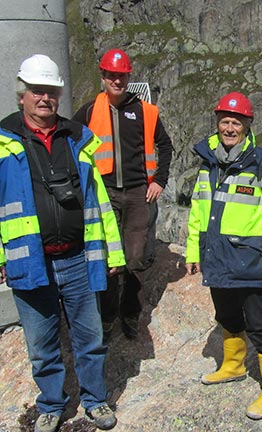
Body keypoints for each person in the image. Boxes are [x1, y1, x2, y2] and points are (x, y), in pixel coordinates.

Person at [0, 54, 125, 432]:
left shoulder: (78, 140)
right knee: (41, 345)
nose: (45, 99)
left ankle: (95, 398)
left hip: (76, 259)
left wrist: (114, 254)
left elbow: (99, 202)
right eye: (37, 91)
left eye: (51, 92)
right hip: (30, 262)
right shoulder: (3, 144)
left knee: (90, 339)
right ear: (22, 95)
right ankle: (51, 406)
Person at [185, 92, 262, 420]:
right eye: (225, 121)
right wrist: (193, 250)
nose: (230, 127)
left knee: (260, 324)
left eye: (236, 122)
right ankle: (232, 365)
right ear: (217, 123)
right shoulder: (209, 164)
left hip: (248, 261)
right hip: (217, 258)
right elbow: (197, 210)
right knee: (227, 315)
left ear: (247, 125)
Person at [73, 48, 174, 340]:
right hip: (103, 195)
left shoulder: (145, 110)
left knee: (135, 259)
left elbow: (165, 146)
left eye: (121, 76)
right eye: (111, 75)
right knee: (106, 259)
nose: (117, 81)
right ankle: (106, 317)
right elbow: (70, 146)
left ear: (128, 77)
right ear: (103, 77)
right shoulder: (90, 111)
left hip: (137, 194)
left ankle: (130, 314)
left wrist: (160, 181)